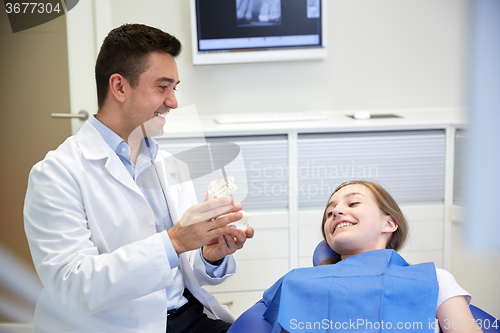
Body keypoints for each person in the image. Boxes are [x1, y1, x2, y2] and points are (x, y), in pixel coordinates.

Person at [23, 23, 254, 333]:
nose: (173, 101)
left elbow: (185, 269)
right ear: (119, 87)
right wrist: (174, 241)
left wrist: (211, 255)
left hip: (187, 315)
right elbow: (72, 286)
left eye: (174, 88)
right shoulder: (55, 175)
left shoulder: (168, 163)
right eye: (162, 87)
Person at [231, 180, 483, 333]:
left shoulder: (433, 280)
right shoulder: (298, 285)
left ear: (389, 222)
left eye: (352, 204)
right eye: (330, 213)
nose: (337, 212)